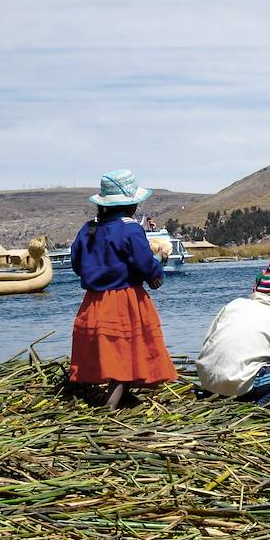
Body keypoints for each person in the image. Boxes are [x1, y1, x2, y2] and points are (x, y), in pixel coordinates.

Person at [69, 168, 177, 410]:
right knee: (125, 352)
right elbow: (143, 263)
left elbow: (77, 264)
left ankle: (125, 397)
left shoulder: (88, 229)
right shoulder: (130, 229)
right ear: (130, 205)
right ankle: (110, 405)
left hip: (93, 302)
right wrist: (157, 267)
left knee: (113, 349)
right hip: (124, 301)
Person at [196, 257, 270, 408]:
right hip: (236, 385)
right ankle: (261, 408)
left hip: (207, 381)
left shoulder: (233, 305)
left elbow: (209, 341)